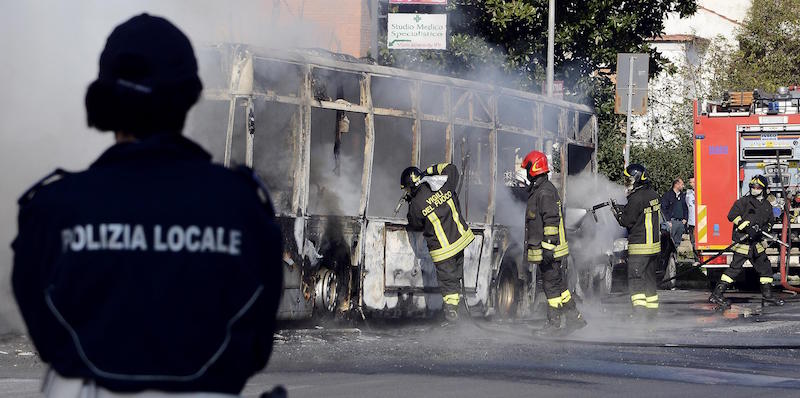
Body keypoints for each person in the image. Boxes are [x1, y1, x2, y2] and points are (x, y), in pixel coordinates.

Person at [11, 14, 284, 397]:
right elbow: (255, 340)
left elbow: (46, 332)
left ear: (101, 101)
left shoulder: (53, 207)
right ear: (189, 98)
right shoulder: (243, 207)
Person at [521, 150, 586, 336]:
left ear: (534, 168)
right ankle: (575, 318)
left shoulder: (544, 192)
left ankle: (554, 323)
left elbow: (551, 221)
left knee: (551, 287)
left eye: (527, 168)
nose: (526, 172)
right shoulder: (542, 189)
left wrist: (548, 247)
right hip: (550, 249)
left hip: (550, 250)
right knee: (559, 285)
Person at [402, 163, 474, 323]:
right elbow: (451, 168)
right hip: (461, 241)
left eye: (406, 189)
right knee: (455, 279)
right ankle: (456, 312)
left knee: (448, 284)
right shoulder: (443, 185)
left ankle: (451, 316)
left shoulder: (416, 204)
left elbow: (415, 223)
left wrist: (410, 202)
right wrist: (429, 171)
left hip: (443, 251)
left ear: (410, 187)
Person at [708, 175, 785, 308]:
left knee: (765, 268)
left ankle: (767, 297)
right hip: (743, 242)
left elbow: (770, 222)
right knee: (735, 269)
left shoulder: (766, 205)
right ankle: (716, 294)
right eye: (753, 187)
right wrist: (745, 226)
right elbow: (731, 215)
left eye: (758, 187)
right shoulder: (744, 202)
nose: (755, 189)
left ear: (763, 189)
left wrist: (763, 229)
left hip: (756, 243)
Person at [615, 164, 662, 319]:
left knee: (636, 281)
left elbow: (627, 221)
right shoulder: (653, 194)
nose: (626, 183)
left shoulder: (635, 198)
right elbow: (640, 213)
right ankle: (651, 314)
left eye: (628, 180)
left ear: (636, 179)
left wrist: (618, 214)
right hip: (653, 247)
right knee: (650, 281)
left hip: (639, 247)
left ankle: (639, 314)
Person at [661, 178, 688, 250]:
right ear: (676, 184)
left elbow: (686, 208)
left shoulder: (683, 196)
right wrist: (668, 221)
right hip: (671, 222)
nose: (683, 186)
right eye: (682, 184)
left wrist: (685, 218)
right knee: (669, 242)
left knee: (677, 242)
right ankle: (668, 255)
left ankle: (675, 255)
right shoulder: (667, 195)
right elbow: (663, 209)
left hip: (680, 222)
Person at [685, 177, 699, 261]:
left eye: (694, 182)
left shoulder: (702, 192)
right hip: (692, 222)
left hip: (701, 222)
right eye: (691, 182)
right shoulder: (688, 194)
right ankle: (696, 259)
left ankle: (700, 258)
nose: (692, 184)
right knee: (693, 241)